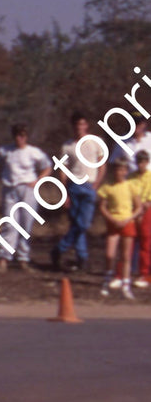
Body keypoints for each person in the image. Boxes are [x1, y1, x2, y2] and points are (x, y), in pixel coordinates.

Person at [0, 124, 52, 271]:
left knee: (26, 224)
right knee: (10, 223)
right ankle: (4, 258)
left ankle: (23, 258)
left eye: (22, 135)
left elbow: (47, 166)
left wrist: (38, 180)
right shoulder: (6, 150)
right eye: (17, 135)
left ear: (26, 137)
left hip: (28, 188)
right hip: (10, 189)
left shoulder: (33, 152)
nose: (19, 138)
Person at [52, 112, 105, 272]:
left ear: (86, 125)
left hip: (89, 185)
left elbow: (102, 164)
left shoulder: (96, 142)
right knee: (76, 223)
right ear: (73, 126)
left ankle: (59, 249)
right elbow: (62, 169)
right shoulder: (67, 146)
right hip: (74, 185)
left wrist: (97, 183)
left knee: (84, 223)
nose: (79, 127)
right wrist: (65, 191)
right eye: (76, 125)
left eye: (82, 124)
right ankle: (82, 257)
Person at [96, 157, 142, 297]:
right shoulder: (108, 186)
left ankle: (126, 285)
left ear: (126, 171)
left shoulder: (131, 186)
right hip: (113, 223)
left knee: (126, 256)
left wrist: (129, 218)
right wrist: (111, 218)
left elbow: (138, 207)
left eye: (123, 170)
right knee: (110, 254)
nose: (120, 172)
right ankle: (106, 282)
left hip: (127, 222)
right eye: (118, 170)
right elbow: (102, 207)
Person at [133, 150, 151, 289]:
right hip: (132, 211)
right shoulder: (131, 177)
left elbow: (148, 200)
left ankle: (144, 273)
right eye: (138, 161)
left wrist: (141, 211)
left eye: (143, 162)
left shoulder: (149, 177)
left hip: (146, 211)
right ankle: (124, 273)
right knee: (129, 241)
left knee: (146, 241)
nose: (140, 164)